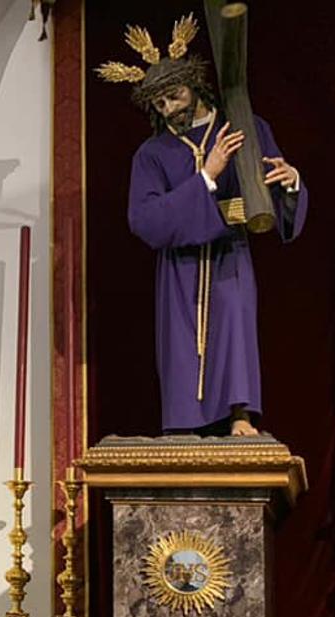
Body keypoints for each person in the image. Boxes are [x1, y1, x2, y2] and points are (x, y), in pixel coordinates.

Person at [97, 15, 308, 436]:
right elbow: (144, 219)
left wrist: (291, 183)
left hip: (231, 252)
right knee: (180, 338)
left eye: (175, 96)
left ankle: (240, 416)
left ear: (194, 86)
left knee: (234, 316)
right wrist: (207, 177)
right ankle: (183, 427)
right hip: (180, 266)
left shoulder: (243, 127)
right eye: (160, 104)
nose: (170, 109)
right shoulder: (151, 154)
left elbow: (268, 190)